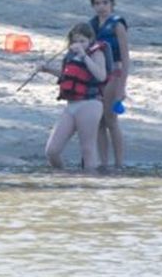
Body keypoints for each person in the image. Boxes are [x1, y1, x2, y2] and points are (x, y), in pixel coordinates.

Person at [39, 21, 111, 171]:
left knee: (87, 149)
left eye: (82, 41)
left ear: (90, 40)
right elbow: (68, 76)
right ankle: (63, 180)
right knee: (52, 151)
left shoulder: (96, 53)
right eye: (75, 41)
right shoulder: (70, 56)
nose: (78, 44)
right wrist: (48, 70)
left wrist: (84, 55)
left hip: (90, 104)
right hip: (71, 105)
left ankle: (89, 185)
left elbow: (101, 76)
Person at [89, 0, 129, 169]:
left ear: (112, 3)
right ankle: (103, 164)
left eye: (105, 2)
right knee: (98, 121)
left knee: (111, 120)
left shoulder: (117, 24)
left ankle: (119, 164)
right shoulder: (92, 25)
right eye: (97, 3)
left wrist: (122, 86)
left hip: (115, 73)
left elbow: (125, 56)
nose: (101, 6)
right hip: (97, 75)